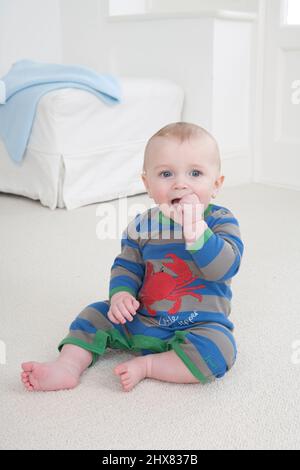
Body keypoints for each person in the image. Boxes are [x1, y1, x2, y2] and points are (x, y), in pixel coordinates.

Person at [21, 122, 244, 392]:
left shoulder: (220, 221)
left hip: (200, 324)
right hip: (143, 319)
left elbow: (224, 268)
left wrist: (197, 230)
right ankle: (68, 366)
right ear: (147, 184)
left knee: (220, 350)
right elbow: (127, 265)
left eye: (195, 173)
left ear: (216, 184)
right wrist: (121, 295)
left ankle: (150, 366)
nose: (180, 184)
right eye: (166, 173)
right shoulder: (143, 225)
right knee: (94, 314)